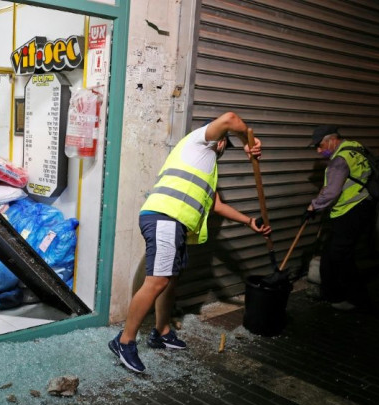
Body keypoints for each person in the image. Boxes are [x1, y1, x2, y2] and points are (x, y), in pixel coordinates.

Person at [109, 112, 271, 373]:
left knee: (170, 279)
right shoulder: (198, 142)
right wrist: (246, 141)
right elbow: (230, 118)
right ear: (220, 142)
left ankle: (161, 331)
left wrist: (248, 221)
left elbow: (217, 205)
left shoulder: (208, 169)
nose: (221, 153)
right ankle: (124, 341)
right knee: (157, 281)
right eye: (224, 147)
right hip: (164, 217)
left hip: (175, 224)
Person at [305, 125, 374, 311]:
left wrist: (313, 206)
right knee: (331, 253)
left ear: (331, 139)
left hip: (350, 211)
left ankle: (358, 299)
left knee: (341, 257)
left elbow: (332, 192)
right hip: (363, 207)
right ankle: (329, 294)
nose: (319, 151)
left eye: (320, 145)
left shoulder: (340, 160)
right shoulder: (354, 147)